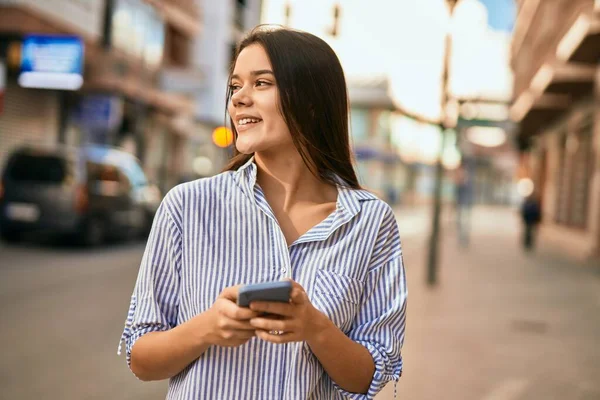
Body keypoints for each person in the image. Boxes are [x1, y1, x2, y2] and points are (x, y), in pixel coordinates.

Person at [118, 25, 407, 400]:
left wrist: (315, 328)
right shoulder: (186, 206)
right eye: (235, 86)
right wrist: (209, 327)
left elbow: (370, 377)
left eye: (262, 83)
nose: (239, 99)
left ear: (312, 101)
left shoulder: (371, 222)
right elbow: (141, 358)